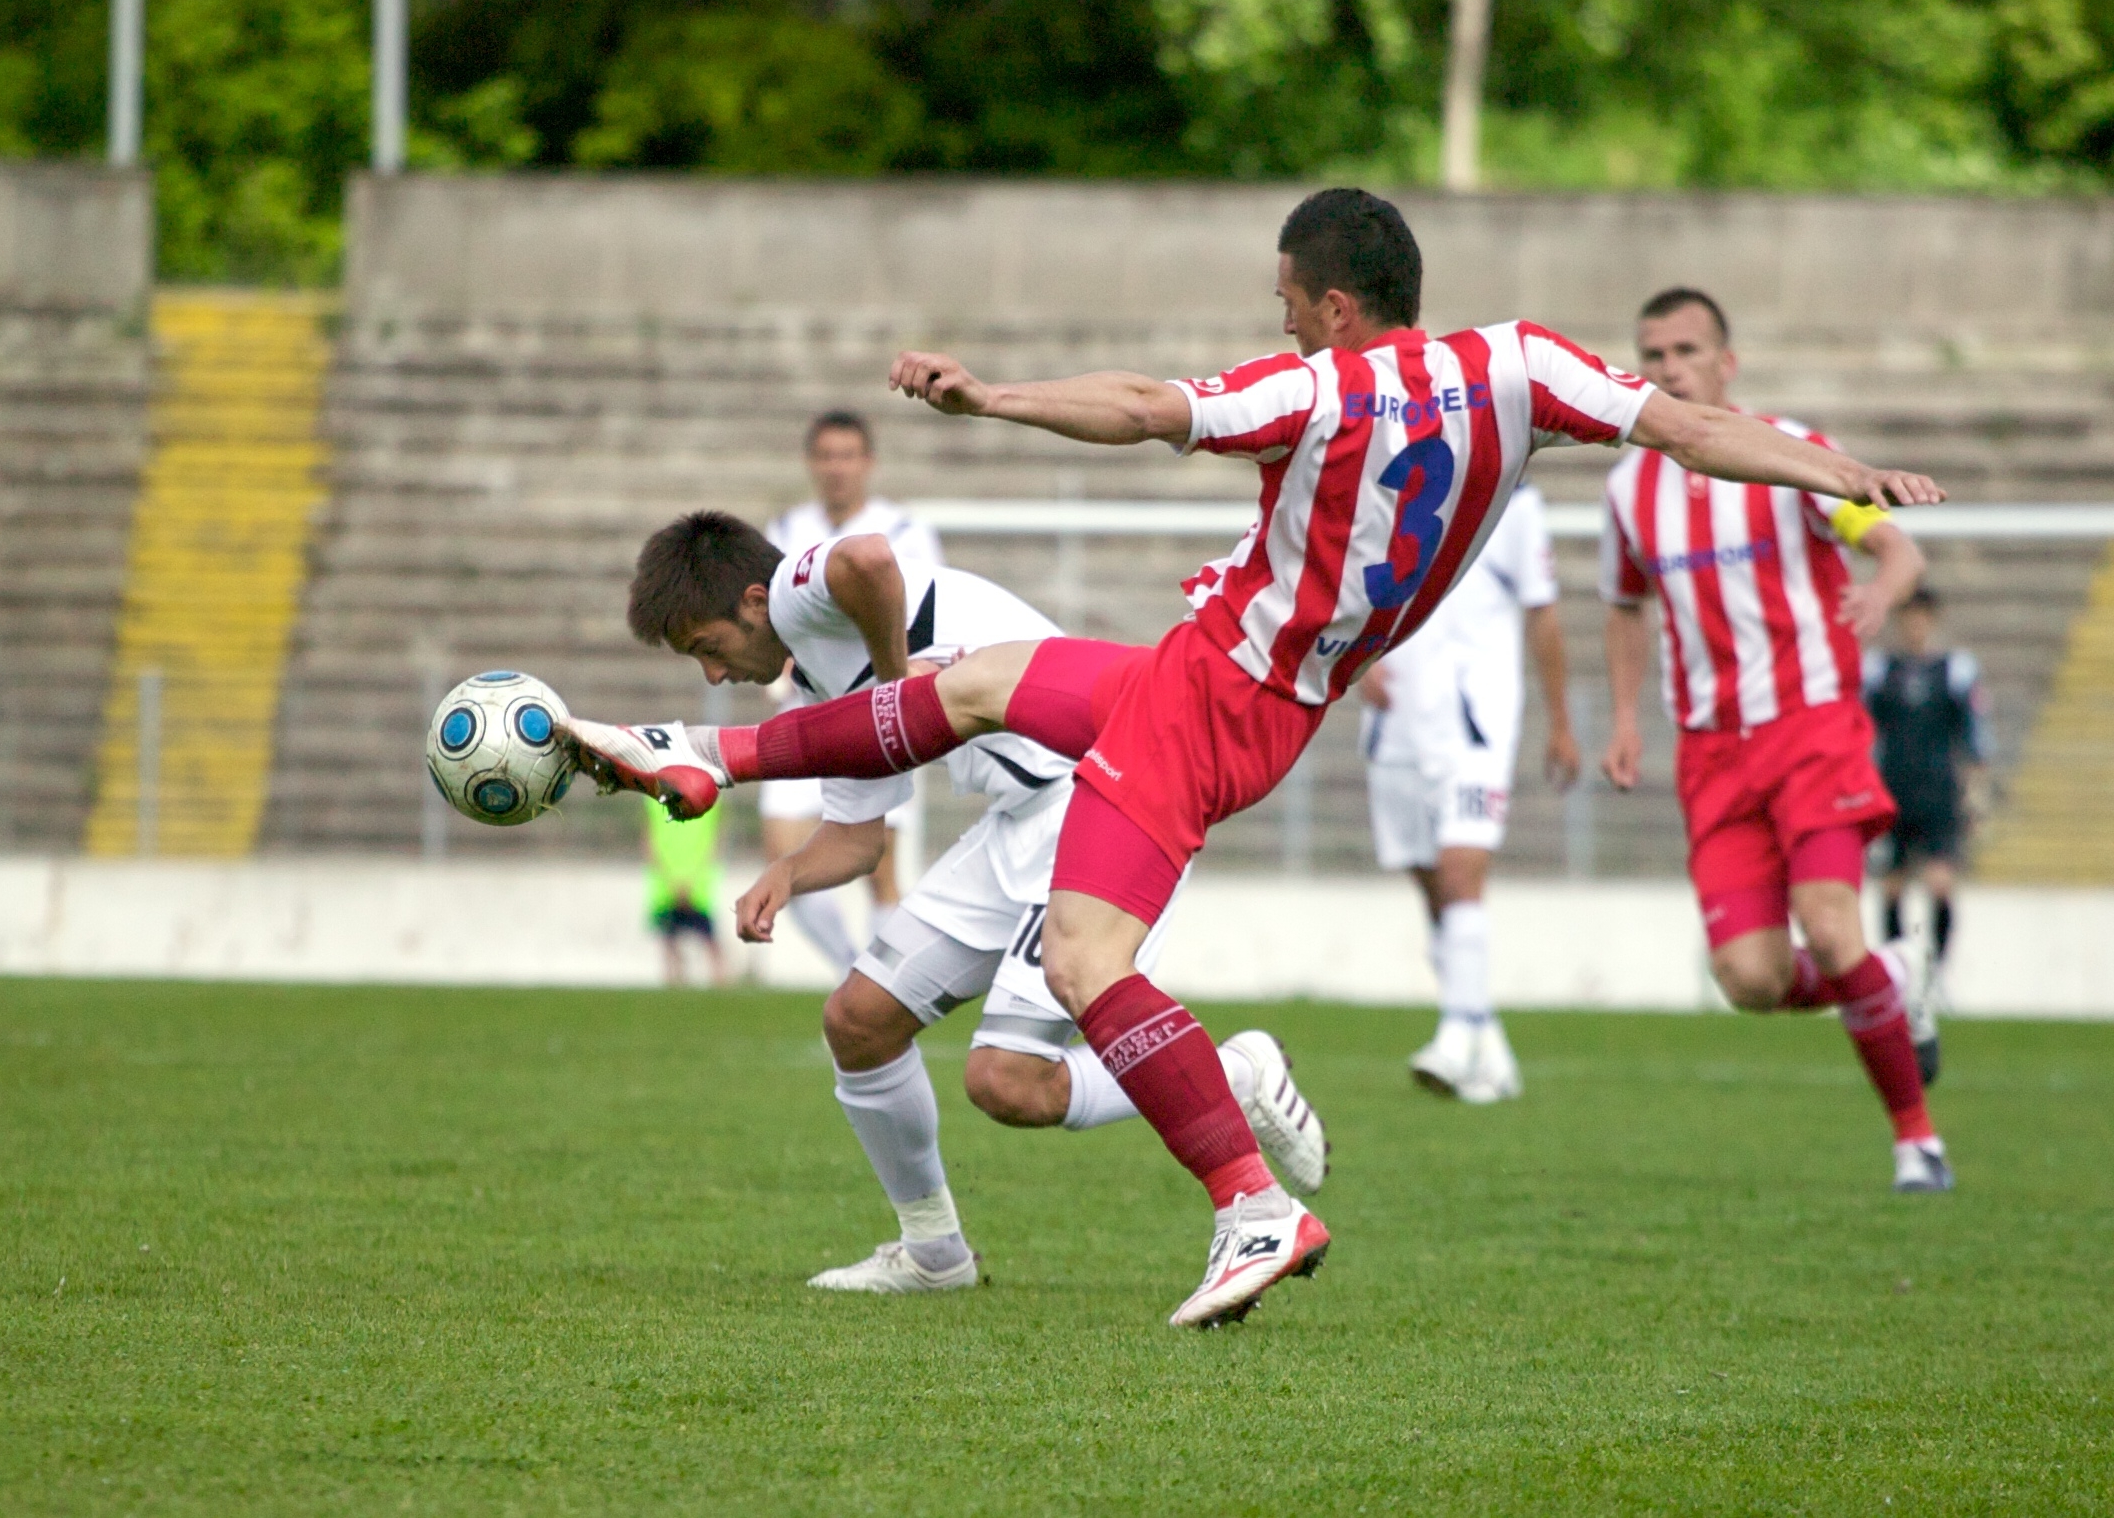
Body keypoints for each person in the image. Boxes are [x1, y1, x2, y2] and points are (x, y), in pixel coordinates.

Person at [563, 189, 1944, 1325]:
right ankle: (696, 752)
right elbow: (1696, 431)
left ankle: (1250, 1202)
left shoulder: (1320, 386)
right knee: (970, 685)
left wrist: (990, 399)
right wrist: (1845, 473)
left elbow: (1142, 408)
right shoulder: (1524, 363)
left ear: (1335, 302)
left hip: (1221, 690)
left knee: (1084, 961)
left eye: (1285, 295)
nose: (1277, 315)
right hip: (1232, 679)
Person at [603, 510, 1326, 1294]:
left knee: (1006, 1081)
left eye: (709, 648)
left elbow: (871, 558)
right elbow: (858, 837)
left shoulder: (797, 594)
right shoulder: (811, 675)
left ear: (751, 601)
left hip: (1104, 795)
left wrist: (892, 683)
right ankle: (933, 1253)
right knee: (857, 1019)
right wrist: (788, 873)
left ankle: (1228, 1078)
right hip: (1015, 824)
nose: (714, 675)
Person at [1598, 286, 1952, 1193]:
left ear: (1726, 361)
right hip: (1712, 751)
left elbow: (1896, 546)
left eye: (1685, 351)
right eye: (1654, 354)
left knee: (1831, 930)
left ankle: (1916, 1137)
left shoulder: (1788, 450)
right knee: (1748, 977)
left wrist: (1883, 588)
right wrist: (1628, 717)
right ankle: (1892, 976)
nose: (1669, 369)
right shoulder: (1630, 485)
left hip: (1811, 728)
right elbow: (1626, 605)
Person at [1358, 484, 1577, 1103]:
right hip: (1396, 719)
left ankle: (1456, 1036)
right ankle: (1488, 1043)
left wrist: (1560, 721)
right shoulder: (1387, 485)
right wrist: (1359, 660)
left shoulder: (1516, 500)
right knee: (1431, 883)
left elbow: (1543, 610)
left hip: (1476, 717)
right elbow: (1356, 588)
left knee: (1460, 868)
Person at [760, 411, 943, 974]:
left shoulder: (905, 531)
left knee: (877, 866)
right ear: (812, 463)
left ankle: (884, 986)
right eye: (827, 456)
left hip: (875, 714)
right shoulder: (785, 530)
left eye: (848, 456)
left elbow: (918, 617)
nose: (837, 468)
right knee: (783, 855)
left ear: (868, 463)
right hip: (805, 714)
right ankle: (852, 975)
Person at [1863, 585, 1993, 1082]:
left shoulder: (1955, 670)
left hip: (1939, 796)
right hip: (1890, 795)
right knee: (1892, 887)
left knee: (1940, 885)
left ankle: (1933, 978)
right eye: (1908, 617)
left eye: (1922, 617)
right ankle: (1900, 983)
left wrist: (1976, 790)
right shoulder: (1881, 671)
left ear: (1932, 620)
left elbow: (1975, 735)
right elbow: (1860, 728)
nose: (1915, 625)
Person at [644, 795, 729, 987]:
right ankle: (674, 987)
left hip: (697, 887)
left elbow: (716, 840)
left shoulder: (707, 795)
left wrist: (691, 879)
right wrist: (670, 879)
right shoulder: (654, 797)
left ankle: (722, 988)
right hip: (667, 886)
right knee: (669, 943)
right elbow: (649, 840)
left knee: (710, 941)